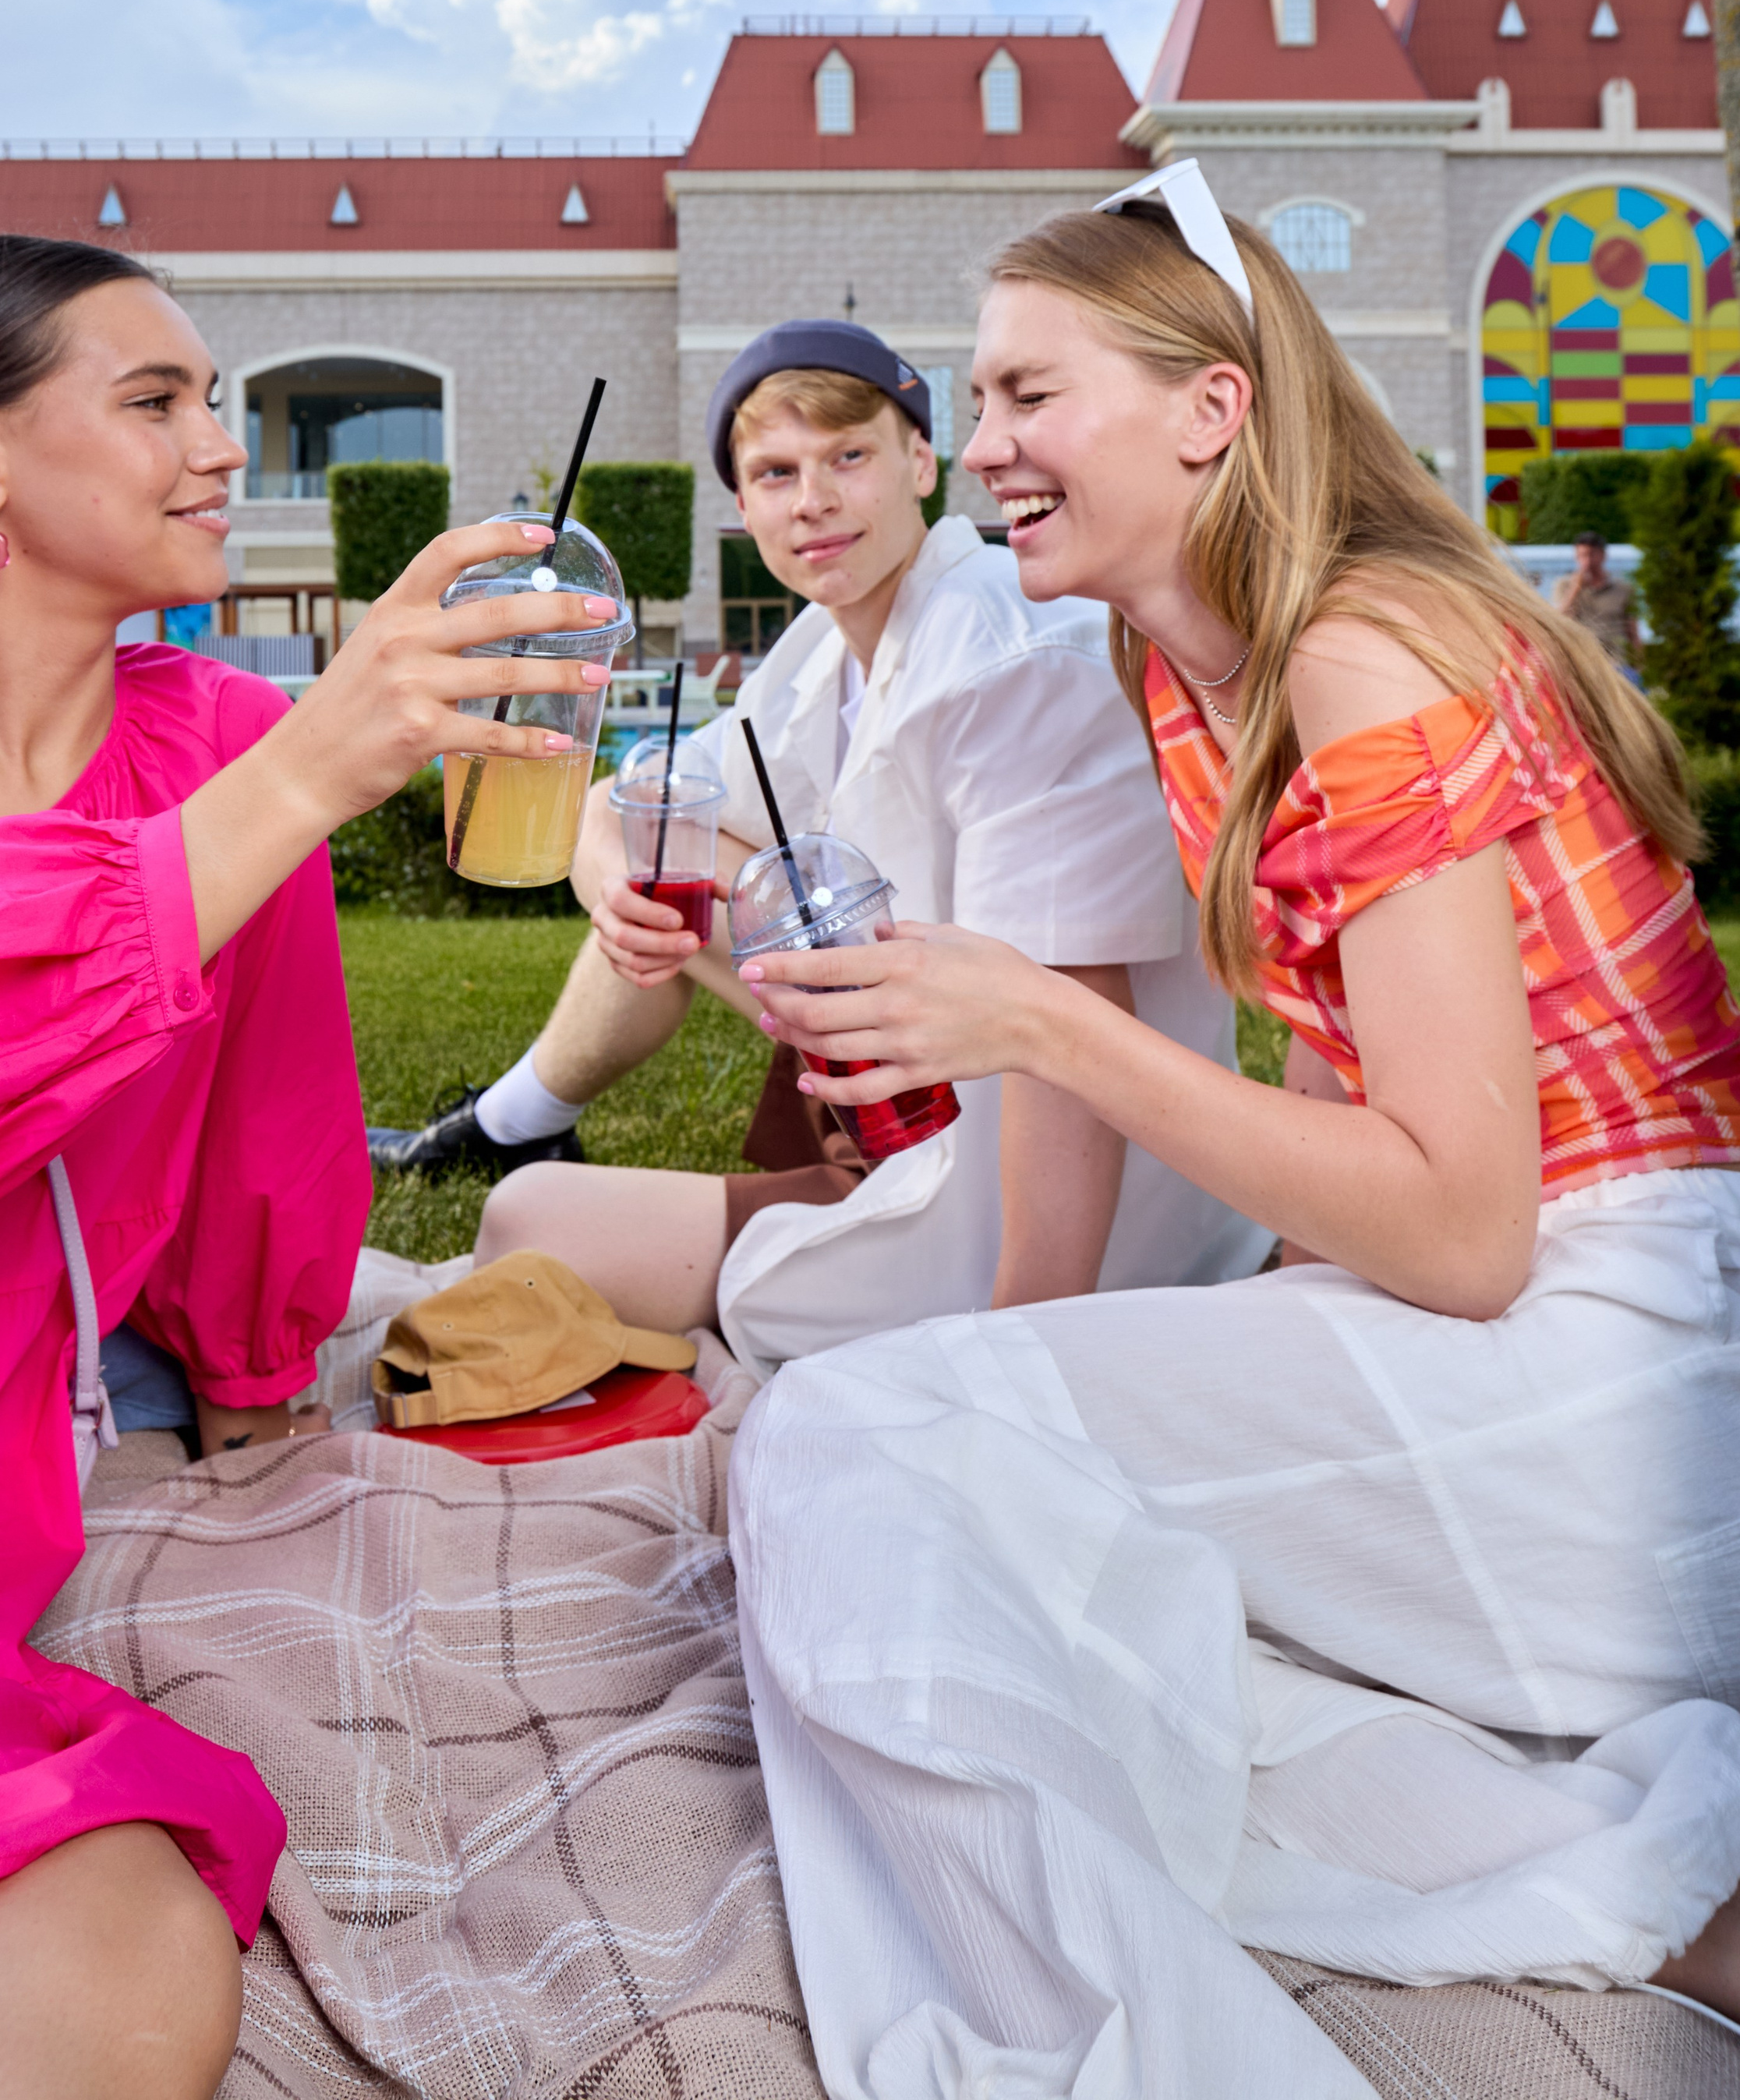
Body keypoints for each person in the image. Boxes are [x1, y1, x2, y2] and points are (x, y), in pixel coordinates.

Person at [726, 163, 1740, 2096]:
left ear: (1210, 411)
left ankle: (1130, 2043)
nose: (984, 445)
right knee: (999, 1510)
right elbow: (1352, 1101)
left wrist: (1037, 1020)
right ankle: (1652, 1881)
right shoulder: (1191, 659)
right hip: (1533, 1336)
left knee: (869, 1444)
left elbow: (1461, 1230)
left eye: (1031, 394)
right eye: (980, 396)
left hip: (1631, 1359)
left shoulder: (1363, 651)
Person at [0, 236, 616, 2100]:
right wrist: (303, 780)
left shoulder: (220, 741)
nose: (218, 446)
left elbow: (270, 1132)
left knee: (120, 1942)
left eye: (219, 399)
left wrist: (250, 1398)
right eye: (154, 401)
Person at [407, 319, 1260, 1366]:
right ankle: (527, 1118)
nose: (810, 500)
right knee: (535, 1198)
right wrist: (610, 877)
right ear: (743, 506)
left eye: (847, 457)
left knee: (525, 1228)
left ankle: (800, 1210)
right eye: (775, 472)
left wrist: (1025, 1350)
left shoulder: (1012, 661)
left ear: (918, 463)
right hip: (920, 1125)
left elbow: (1068, 1031)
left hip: (1060, 1224)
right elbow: (633, 803)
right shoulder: (822, 654)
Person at [1551, 528, 1640, 668]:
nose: (1587, 562)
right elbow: (1557, 620)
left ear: (1603, 555)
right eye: (1581, 556)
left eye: (1591, 555)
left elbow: (1633, 631)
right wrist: (1575, 589)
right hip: (1580, 661)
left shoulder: (1623, 589)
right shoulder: (1564, 585)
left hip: (1615, 661)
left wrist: (1639, 664)